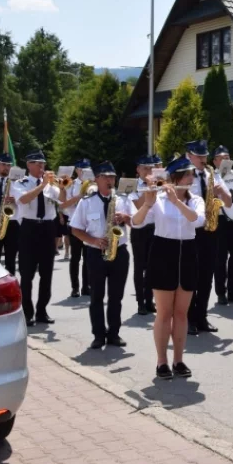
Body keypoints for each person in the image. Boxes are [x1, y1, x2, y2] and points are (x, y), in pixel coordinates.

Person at [131, 155, 205, 379]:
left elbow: (197, 220)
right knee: (164, 313)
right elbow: (136, 222)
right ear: (176, 178)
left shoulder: (195, 200)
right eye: (187, 175)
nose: (191, 178)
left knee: (181, 313)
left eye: (191, 174)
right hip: (163, 252)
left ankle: (178, 360)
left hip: (188, 253)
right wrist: (147, 203)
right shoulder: (159, 200)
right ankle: (162, 361)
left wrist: (177, 202)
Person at [69, 161, 133, 349]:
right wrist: (94, 241)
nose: (110, 180)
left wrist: (126, 218)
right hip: (96, 253)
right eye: (105, 177)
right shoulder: (86, 202)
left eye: (112, 177)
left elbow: (137, 222)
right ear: (96, 179)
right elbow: (75, 229)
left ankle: (114, 333)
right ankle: (98, 335)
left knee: (116, 296)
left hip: (119, 251)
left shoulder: (123, 199)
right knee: (96, 296)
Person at [184, 140, 233, 335]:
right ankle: (189, 318)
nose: (203, 159)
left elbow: (229, 203)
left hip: (211, 230)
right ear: (189, 156)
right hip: (191, 231)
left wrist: (221, 192)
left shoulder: (212, 174)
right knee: (191, 275)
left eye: (205, 156)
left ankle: (202, 317)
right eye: (199, 156)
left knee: (206, 275)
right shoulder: (184, 175)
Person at [12, 150, 62, 327]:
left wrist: (62, 187)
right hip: (29, 227)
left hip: (48, 227)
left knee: (47, 273)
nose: (42, 166)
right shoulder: (20, 183)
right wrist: (42, 185)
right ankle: (27, 312)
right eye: (38, 163)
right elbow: (24, 199)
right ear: (29, 165)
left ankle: (42, 311)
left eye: (43, 163)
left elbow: (62, 201)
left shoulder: (51, 185)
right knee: (27, 274)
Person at [211, 145, 233, 305]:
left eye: (228, 157)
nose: (226, 160)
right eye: (222, 158)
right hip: (221, 220)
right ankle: (221, 292)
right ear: (215, 161)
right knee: (220, 258)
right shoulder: (211, 177)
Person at [130, 154, 159, 316]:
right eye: (145, 168)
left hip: (155, 228)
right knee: (139, 267)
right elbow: (138, 204)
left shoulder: (158, 183)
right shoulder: (133, 186)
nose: (148, 171)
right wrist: (149, 187)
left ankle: (149, 300)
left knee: (152, 267)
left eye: (150, 168)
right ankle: (140, 302)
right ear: (138, 170)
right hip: (139, 229)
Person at [59, 159, 92, 297]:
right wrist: (79, 196)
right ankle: (75, 287)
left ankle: (86, 286)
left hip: (90, 225)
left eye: (87, 169)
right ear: (77, 170)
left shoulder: (93, 184)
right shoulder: (71, 184)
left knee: (88, 258)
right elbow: (62, 204)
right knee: (75, 258)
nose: (84, 172)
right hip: (75, 224)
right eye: (81, 169)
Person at [0, 153, 19, 276]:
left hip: (12, 223)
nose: (6, 167)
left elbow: (25, 201)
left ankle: (11, 282)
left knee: (11, 259)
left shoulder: (17, 183)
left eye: (8, 165)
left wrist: (16, 200)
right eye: (3, 164)